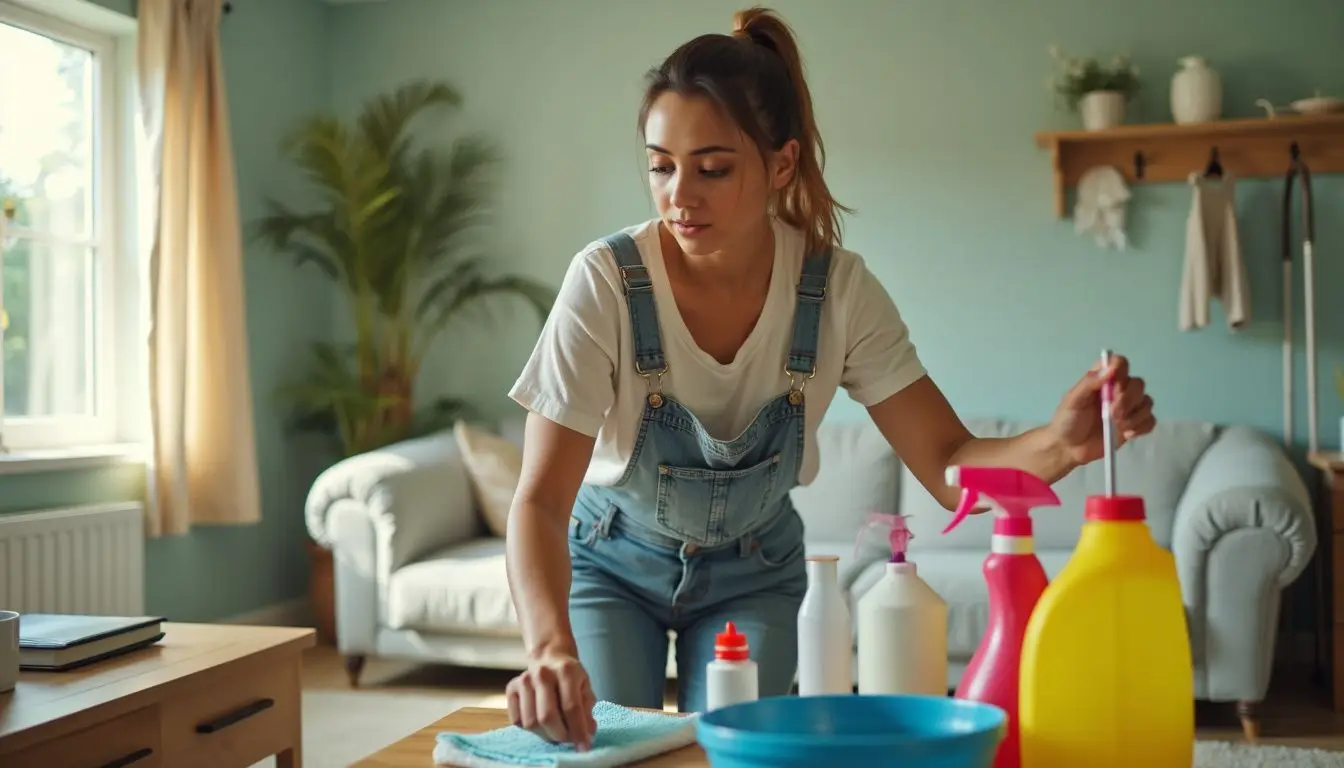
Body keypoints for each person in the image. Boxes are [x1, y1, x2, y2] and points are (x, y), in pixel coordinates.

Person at [501, 5, 1155, 750]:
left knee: (741, 752)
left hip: (757, 573)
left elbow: (948, 467)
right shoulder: (606, 281)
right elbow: (542, 501)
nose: (680, 195)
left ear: (781, 164)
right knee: (602, 750)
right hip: (609, 564)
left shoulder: (837, 291)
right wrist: (549, 649)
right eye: (661, 166)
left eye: (713, 168)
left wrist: (1063, 445)